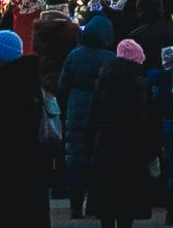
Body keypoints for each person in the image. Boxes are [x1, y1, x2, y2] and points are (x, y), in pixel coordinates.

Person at [0, 31, 51, 228]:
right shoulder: (32, 79)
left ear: (1, 57)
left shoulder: (1, 84)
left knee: (7, 215)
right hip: (34, 166)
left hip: (6, 166)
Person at [88, 38, 159, 228]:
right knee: (127, 203)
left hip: (103, 145)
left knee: (106, 201)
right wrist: (152, 153)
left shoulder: (102, 81)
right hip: (131, 147)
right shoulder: (140, 85)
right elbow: (146, 123)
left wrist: (90, 146)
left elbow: (93, 118)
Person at [60, 15, 119, 218]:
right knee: (97, 160)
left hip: (76, 108)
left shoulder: (74, 55)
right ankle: (96, 204)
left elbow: (63, 84)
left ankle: (75, 205)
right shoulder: (110, 59)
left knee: (76, 159)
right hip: (101, 112)